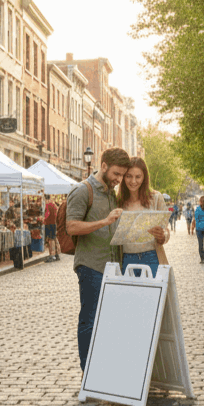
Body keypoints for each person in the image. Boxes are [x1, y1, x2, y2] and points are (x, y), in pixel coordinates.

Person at [66, 147, 130, 372]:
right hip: (91, 266)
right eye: (116, 174)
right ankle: (88, 374)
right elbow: (71, 226)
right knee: (90, 321)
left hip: (113, 266)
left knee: (109, 322)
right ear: (103, 166)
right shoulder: (82, 191)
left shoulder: (111, 192)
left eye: (122, 175)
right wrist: (104, 222)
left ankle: (103, 370)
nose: (118, 179)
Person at [118, 157, 169, 278]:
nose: (133, 181)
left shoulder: (156, 198)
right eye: (129, 176)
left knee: (153, 296)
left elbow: (166, 231)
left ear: (144, 177)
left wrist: (163, 236)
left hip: (151, 256)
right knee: (128, 296)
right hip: (125, 257)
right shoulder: (117, 201)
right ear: (123, 177)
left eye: (138, 177)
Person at [44, 195, 60, 262]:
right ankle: (57, 254)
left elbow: (47, 213)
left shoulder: (47, 204)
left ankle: (51, 255)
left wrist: (43, 219)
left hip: (49, 223)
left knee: (50, 240)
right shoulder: (54, 203)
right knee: (54, 239)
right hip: (54, 223)